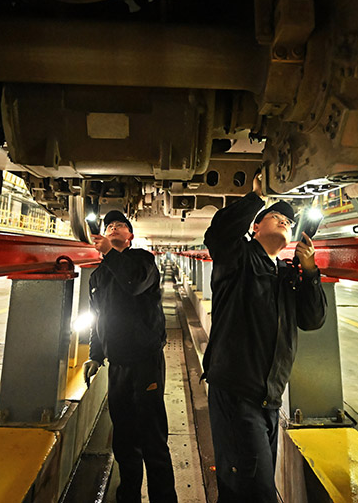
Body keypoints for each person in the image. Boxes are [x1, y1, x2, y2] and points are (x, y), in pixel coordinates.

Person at [202, 178, 327, 502]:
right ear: (255, 227)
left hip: (269, 400)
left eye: (289, 220)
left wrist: (310, 271)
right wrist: (257, 196)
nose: (285, 219)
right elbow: (218, 234)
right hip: (236, 394)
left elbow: (312, 320)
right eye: (276, 216)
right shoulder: (238, 259)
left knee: (238, 491)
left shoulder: (286, 274)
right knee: (257, 494)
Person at [82, 210, 177, 503]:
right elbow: (98, 318)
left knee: (153, 439)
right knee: (124, 440)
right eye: (109, 225)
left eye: (120, 225)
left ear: (130, 237)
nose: (113, 227)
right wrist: (96, 354)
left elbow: (133, 283)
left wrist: (110, 253)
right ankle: (128, 497)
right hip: (118, 365)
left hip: (146, 362)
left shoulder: (143, 261)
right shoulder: (98, 276)